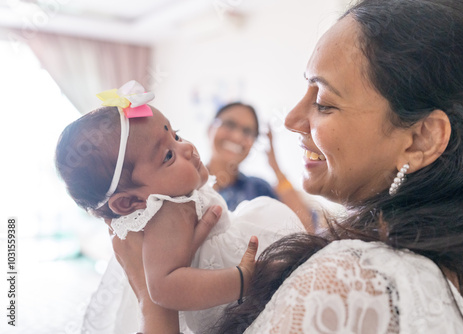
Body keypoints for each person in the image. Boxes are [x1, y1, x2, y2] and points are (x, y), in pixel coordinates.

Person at [110, 0, 463, 333]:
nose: (291, 119)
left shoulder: (353, 279)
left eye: (325, 102)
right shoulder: (459, 265)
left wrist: (153, 302)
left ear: (420, 139)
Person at [54, 81, 305, 333]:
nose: (185, 147)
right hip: (229, 295)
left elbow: (308, 220)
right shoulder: (168, 207)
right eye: (168, 155)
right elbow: (164, 288)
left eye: (175, 135)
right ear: (129, 202)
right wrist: (242, 279)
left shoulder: (238, 187)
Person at [207, 102, 317, 233]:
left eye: (247, 132)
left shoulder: (257, 189)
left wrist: (275, 167)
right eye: (230, 124)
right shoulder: (186, 177)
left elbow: (306, 228)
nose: (237, 137)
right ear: (210, 128)